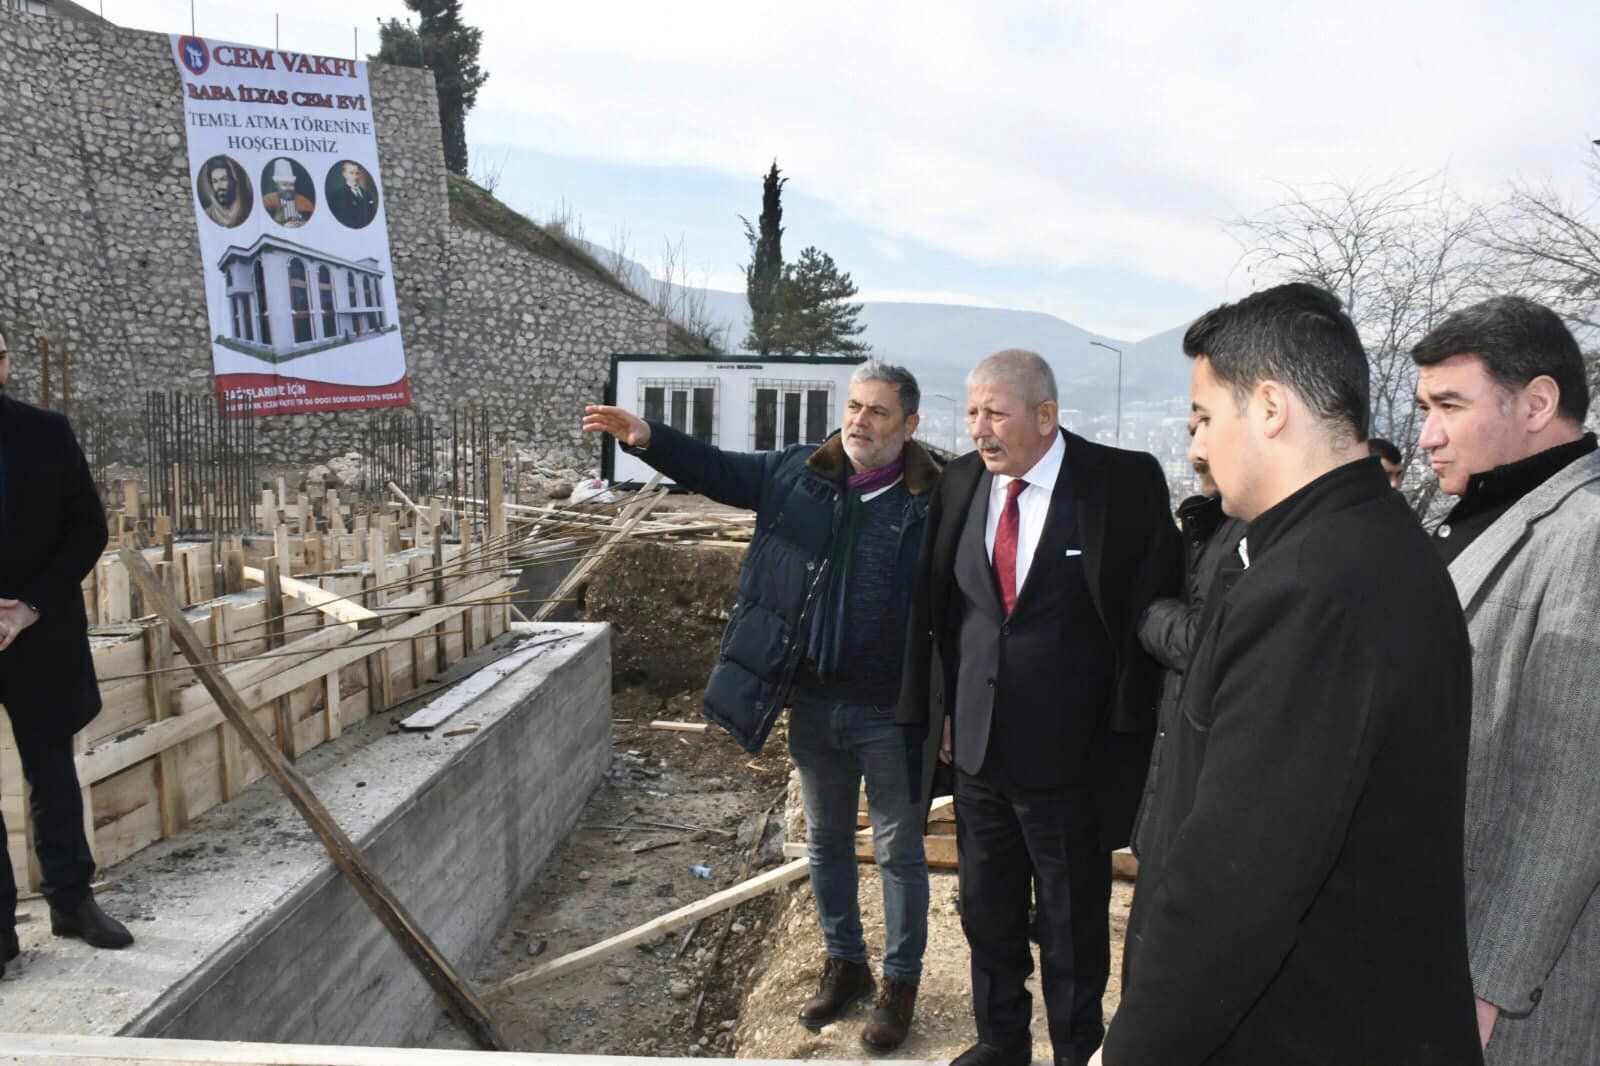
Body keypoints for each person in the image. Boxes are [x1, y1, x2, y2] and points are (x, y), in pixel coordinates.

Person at [1095, 284, 1482, 1065]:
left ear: (1269, 406)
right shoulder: (1366, 544)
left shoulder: (1315, 586)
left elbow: (1235, 886)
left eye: (1204, 417)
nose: (1196, 447)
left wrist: (1132, 1049)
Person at [583, 361, 939, 1051]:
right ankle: (847, 966)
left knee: (899, 852)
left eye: (879, 412)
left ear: (910, 425)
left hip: (892, 713)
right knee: (827, 843)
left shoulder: (937, 499)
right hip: (814, 702)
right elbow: (715, 469)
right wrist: (647, 436)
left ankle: (901, 984)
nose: (861, 421)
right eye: (855, 407)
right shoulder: (795, 475)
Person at [899, 349, 1182, 1066]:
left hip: (1071, 758)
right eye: (971, 413)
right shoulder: (961, 482)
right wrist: (944, 716)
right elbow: (949, 613)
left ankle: (1076, 1051)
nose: (979, 430)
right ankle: (1000, 1042)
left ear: (1046, 416)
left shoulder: (1119, 483)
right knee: (986, 912)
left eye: (995, 413)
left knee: (1070, 923)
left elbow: (1152, 600)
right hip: (978, 754)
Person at [1412, 295, 1600, 1064]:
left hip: (1509, 997)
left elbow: (1572, 789)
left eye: (1449, 405)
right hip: (1430, 950)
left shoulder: (1586, 536)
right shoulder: (1467, 518)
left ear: (1538, 403)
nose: (1428, 434)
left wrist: (1487, 986)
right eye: (1425, 407)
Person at [0, 327, 135, 979]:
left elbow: (88, 528)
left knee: (50, 771)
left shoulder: (45, 433)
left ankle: (71, 901)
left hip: (39, 631)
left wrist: (27, 606)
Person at [1129, 430, 1245, 859]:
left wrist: (1149, 613)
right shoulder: (1213, 524)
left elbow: (1212, 640)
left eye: (1210, 424)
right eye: (1192, 430)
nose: (1196, 451)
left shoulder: (1254, 528)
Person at [199, 156, 249, 229]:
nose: (219, 186)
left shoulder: (245, 210)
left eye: (224, 179)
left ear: (233, 181)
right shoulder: (208, 214)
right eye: (215, 181)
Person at [262, 158, 313, 228]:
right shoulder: (268, 200)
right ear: (277, 186)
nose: (289, 188)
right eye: (284, 185)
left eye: (291, 185)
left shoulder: (305, 202)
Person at [328, 161, 378, 229]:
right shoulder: (338, 194)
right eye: (351, 173)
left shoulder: (366, 194)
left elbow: (372, 214)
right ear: (344, 174)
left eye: (357, 173)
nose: (355, 176)